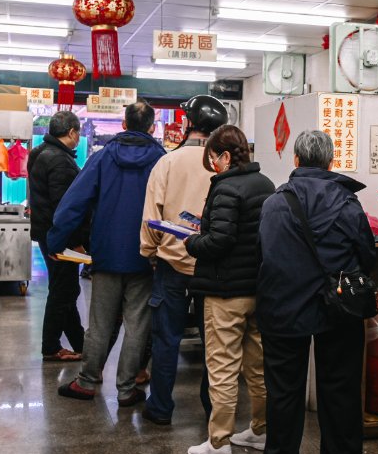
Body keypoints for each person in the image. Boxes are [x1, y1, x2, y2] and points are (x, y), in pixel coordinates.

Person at [255, 130, 375, 454]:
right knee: (339, 387)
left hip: (284, 307)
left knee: (284, 391)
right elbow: (367, 256)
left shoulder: (275, 203)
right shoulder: (348, 202)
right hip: (338, 307)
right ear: (330, 162)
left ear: (295, 160)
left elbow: (266, 256)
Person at [50, 100, 165, 407]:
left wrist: (55, 241)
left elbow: (74, 203)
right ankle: (126, 389)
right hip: (145, 256)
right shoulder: (162, 160)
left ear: (124, 125)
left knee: (100, 322)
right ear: (152, 127)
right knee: (138, 325)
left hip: (106, 256)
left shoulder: (102, 159)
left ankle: (87, 382)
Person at [185, 125, 275, 454]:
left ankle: (219, 442)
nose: (212, 164)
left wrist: (192, 240)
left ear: (225, 156)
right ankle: (260, 430)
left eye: (213, 157)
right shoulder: (265, 185)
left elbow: (219, 241)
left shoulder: (225, 188)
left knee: (222, 367)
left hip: (225, 293)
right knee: (258, 367)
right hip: (258, 290)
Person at [139, 95, 228, 425]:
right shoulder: (224, 164)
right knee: (214, 344)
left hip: (171, 264)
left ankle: (161, 407)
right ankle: (212, 410)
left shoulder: (168, 162)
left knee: (166, 339)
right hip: (212, 266)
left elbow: (152, 215)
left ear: (188, 123)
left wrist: (150, 251)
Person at [27, 110, 86, 362]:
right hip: (59, 238)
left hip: (46, 233)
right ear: (72, 132)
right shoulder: (60, 161)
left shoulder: (38, 153)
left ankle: (80, 343)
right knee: (64, 290)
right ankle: (50, 346)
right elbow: (64, 208)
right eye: (78, 133)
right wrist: (74, 242)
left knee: (65, 289)